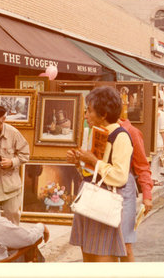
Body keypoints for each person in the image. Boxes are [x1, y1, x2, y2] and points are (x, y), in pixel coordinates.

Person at [66, 86, 133, 262]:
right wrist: (79, 162)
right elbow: (91, 172)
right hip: (88, 198)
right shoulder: (93, 133)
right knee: (87, 255)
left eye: (89, 111)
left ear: (103, 114)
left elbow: (120, 175)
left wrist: (94, 161)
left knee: (102, 256)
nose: (86, 115)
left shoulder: (120, 136)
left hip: (103, 202)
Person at [118, 116, 153, 262]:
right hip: (103, 192)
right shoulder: (97, 130)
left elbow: (142, 166)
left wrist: (147, 195)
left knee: (125, 246)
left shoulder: (131, 131)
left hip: (125, 191)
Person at [151, 98, 164, 185]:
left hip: (151, 139)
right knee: (156, 160)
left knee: (153, 160)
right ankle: (154, 178)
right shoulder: (162, 114)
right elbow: (162, 130)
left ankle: (153, 177)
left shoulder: (151, 112)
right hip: (158, 139)